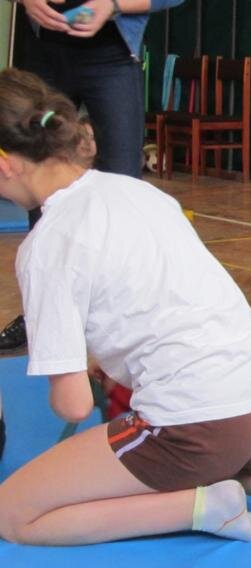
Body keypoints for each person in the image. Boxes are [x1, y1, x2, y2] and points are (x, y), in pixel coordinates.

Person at [0, 68, 251, 546]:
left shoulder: (47, 243)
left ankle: (202, 507)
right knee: (176, 433)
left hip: (200, 428)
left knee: (12, 514)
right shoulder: (137, 191)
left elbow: (72, 404)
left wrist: (65, 377)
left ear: (5, 163)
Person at [0, 0, 185, 354]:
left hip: (112, 58)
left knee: (124, 187)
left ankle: (129, 315)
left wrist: (113, 4)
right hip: (44, 54)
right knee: (37, 183)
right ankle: (40, 316)